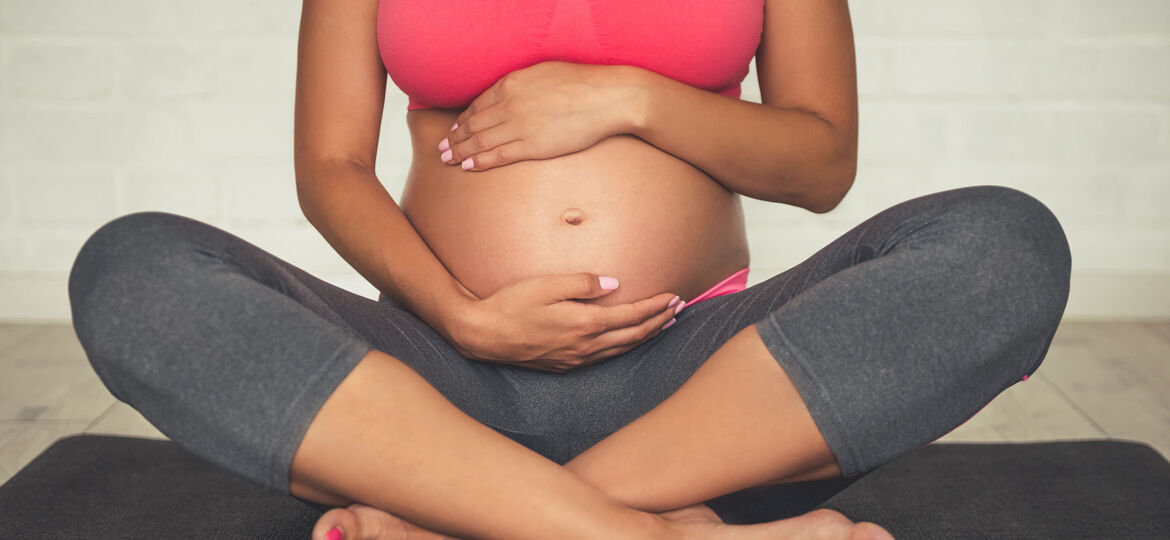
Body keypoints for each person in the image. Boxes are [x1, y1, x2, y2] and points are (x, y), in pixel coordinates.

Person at [67, 0, 1071, 538]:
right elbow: (331, 169)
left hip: (702, 381)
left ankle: (474, 521)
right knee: (133, 271)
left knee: (1005, 249)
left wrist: (632, 96)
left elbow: (821, 163)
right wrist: (459, 317)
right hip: (430, 380)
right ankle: (649, 536)